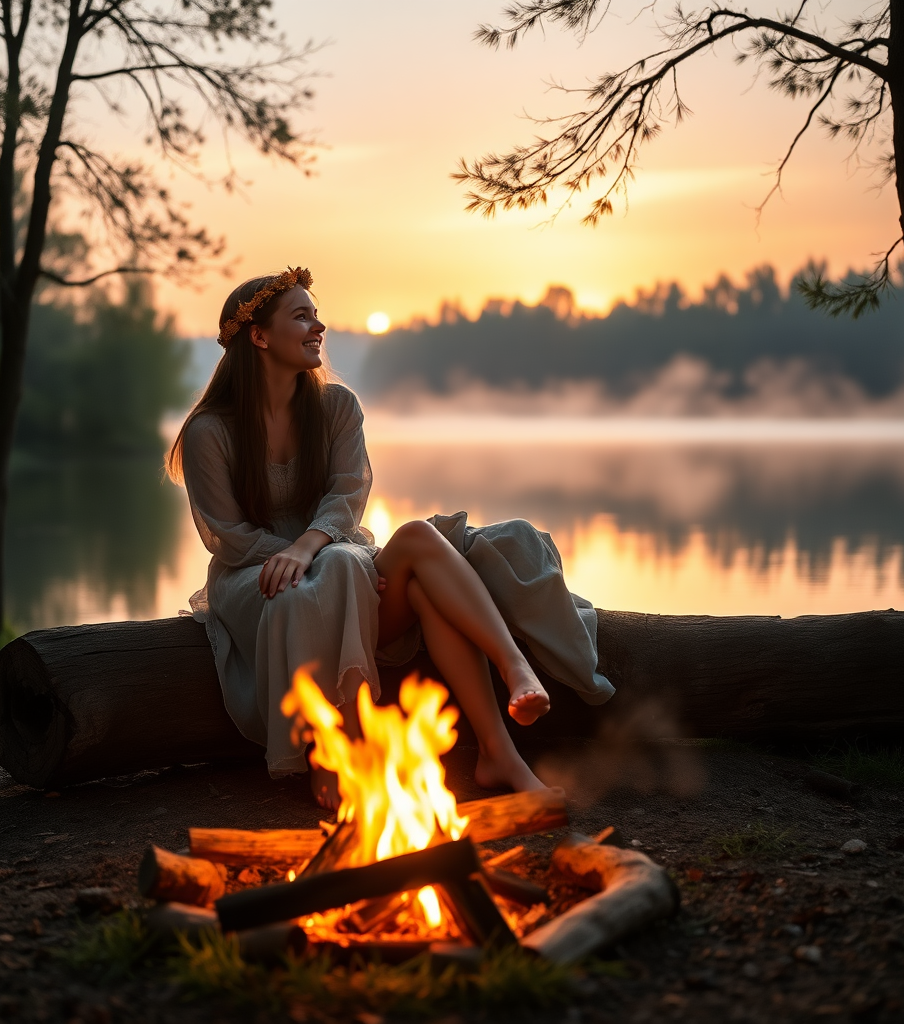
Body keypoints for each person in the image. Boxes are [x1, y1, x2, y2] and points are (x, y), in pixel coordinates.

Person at [167, 267, 614, 809]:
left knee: (418, 540)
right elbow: (228, 536)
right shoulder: (210, 430)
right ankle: (339, 756)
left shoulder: (336, 408)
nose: (319, 325)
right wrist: (299, 555)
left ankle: (505, 720)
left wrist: (312, 544)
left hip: (336, 551)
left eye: (316, 313)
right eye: (301, 315)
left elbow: (348, 494)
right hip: (255, 579)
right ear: (258, 336)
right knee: (341, 569)